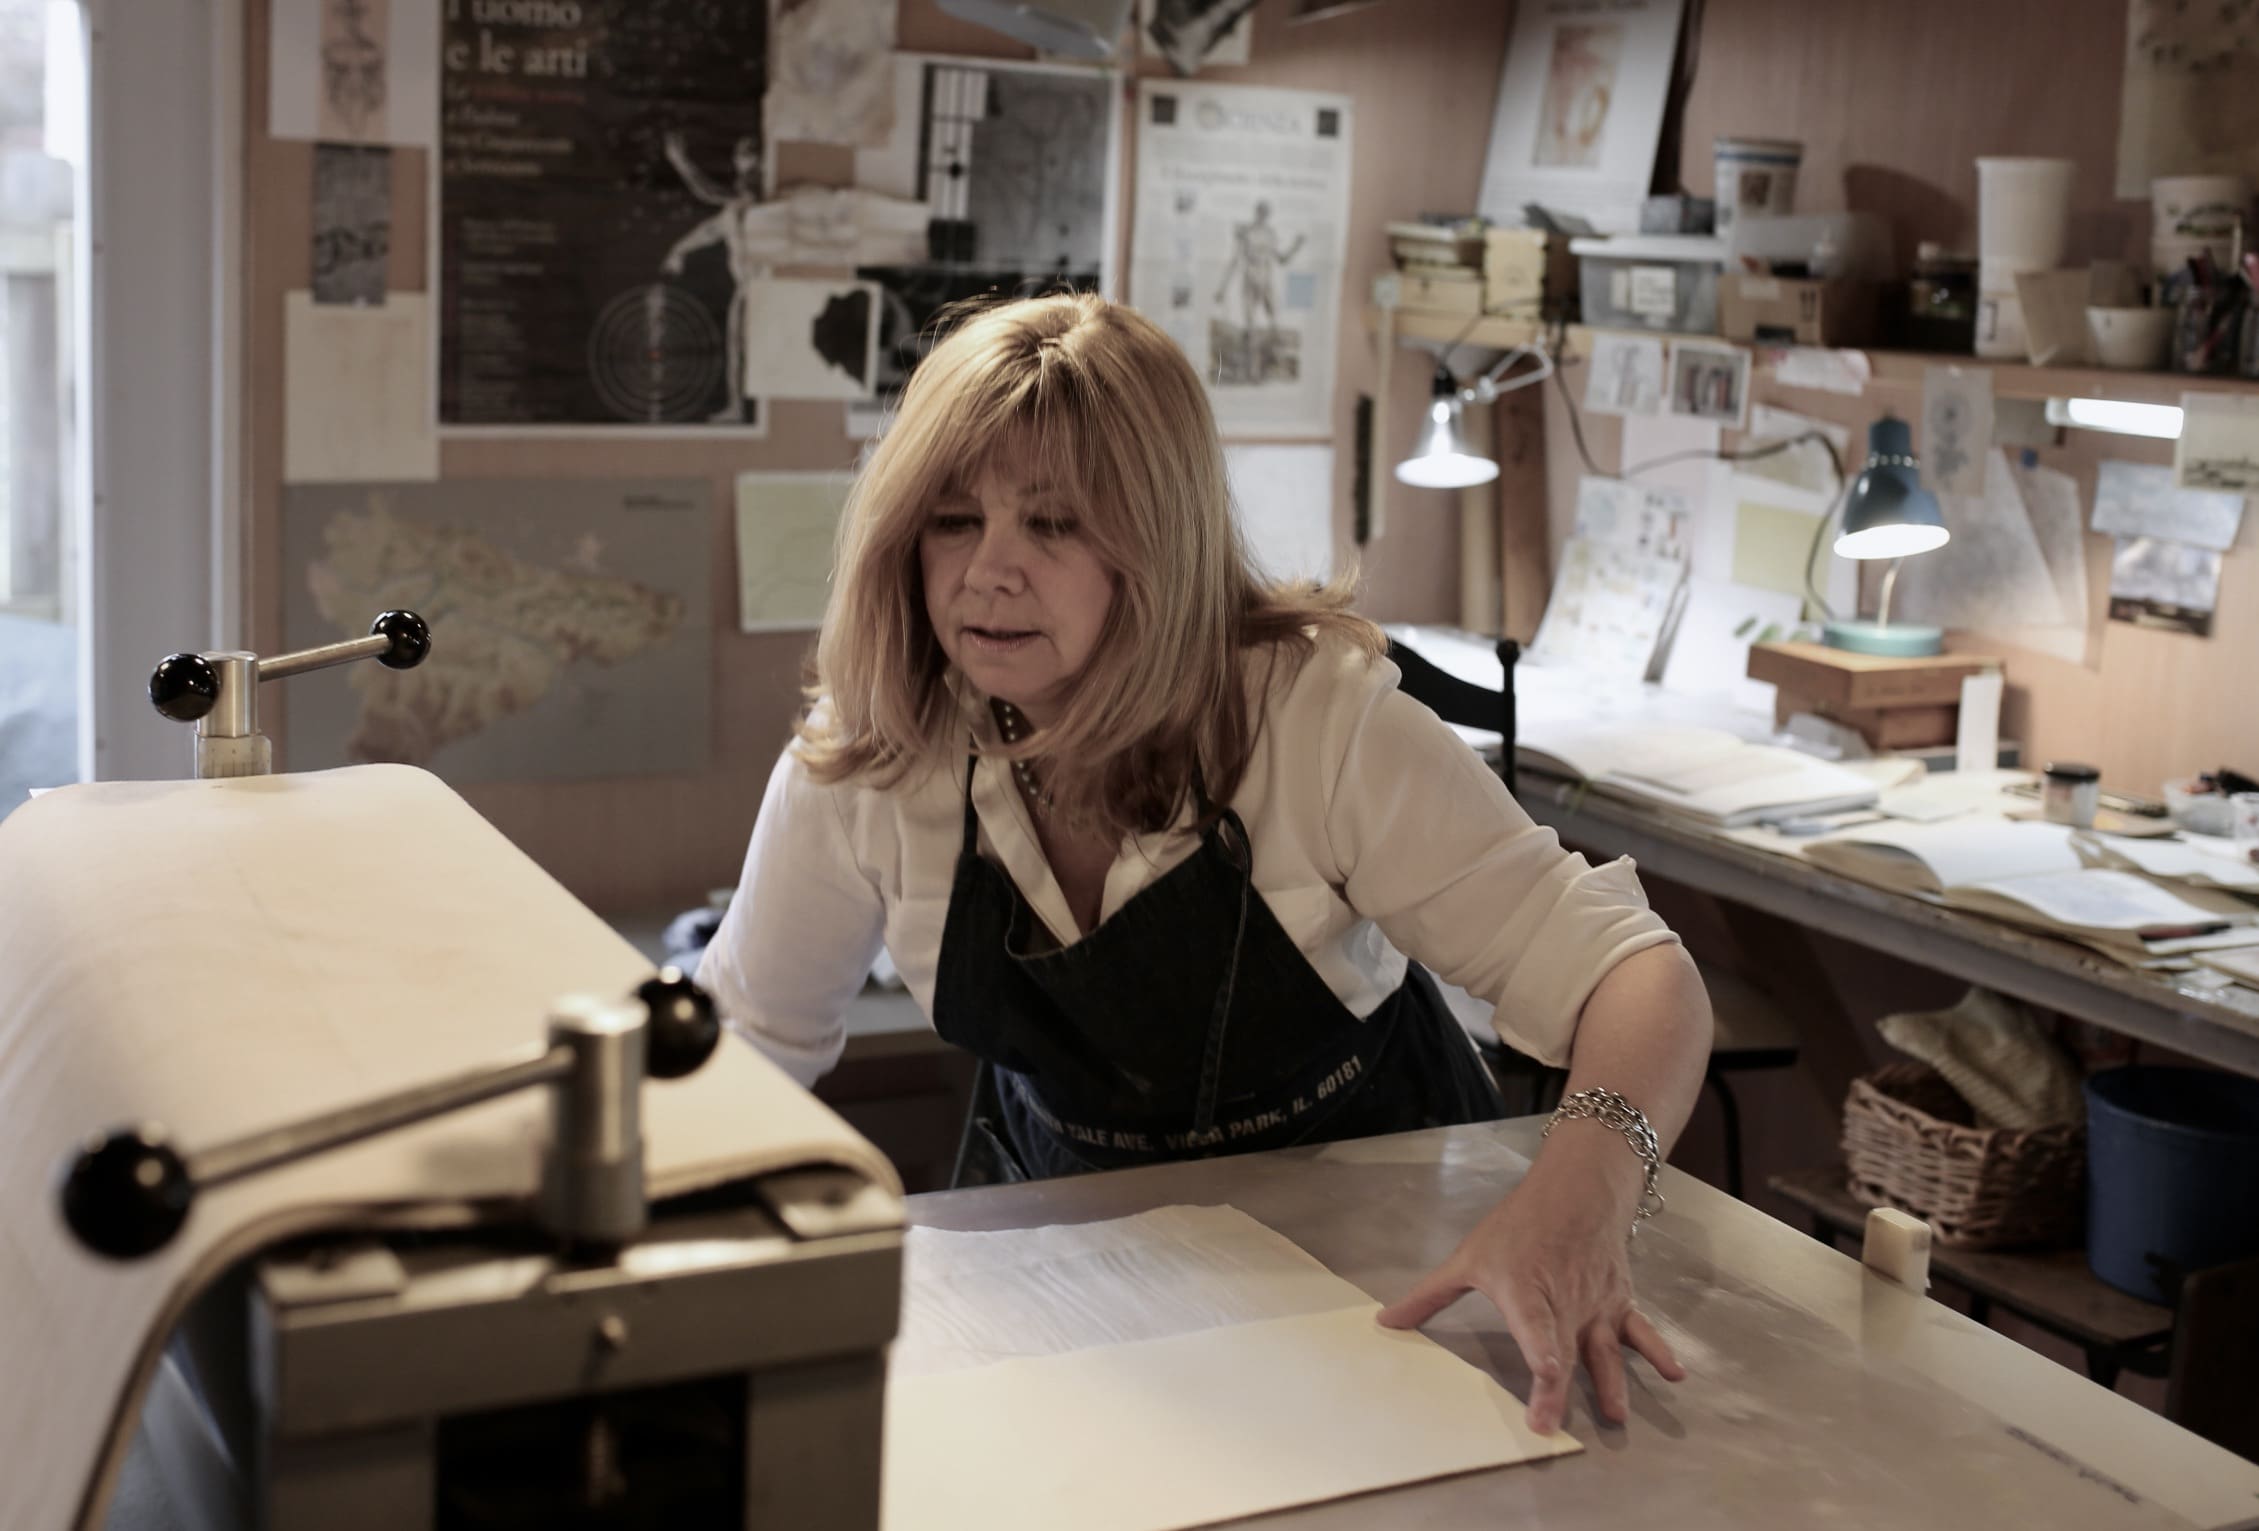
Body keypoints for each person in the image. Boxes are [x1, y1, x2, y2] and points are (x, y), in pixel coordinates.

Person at [697, 293, 1714, 1435]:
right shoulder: (878, 760)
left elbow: (1637, 974)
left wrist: (1580, 1194)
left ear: (1157, 540)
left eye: (1054, 523)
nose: (987, 573)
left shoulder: (1312, 723)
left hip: (1386, 1278)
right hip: (1069, 1271)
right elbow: (739, 1050)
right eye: (950, 520)